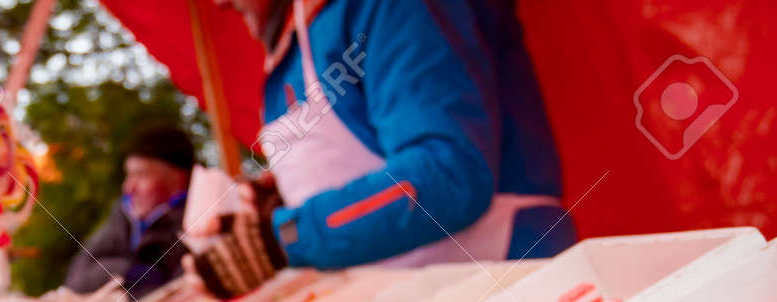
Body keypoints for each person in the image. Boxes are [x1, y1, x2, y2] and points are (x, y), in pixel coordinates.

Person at [214, 0, 576, 270]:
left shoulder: (385, 8)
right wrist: (276, 205)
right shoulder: (287, 58)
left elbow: (446, 175)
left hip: (513, 281)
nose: (219, 4)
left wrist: (285, 237)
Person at [64, 123, 195, 298]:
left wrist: (113, 276)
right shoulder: (122, 214)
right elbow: (76, 280)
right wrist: (129, 272)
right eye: (129, 174)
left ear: (176, 180)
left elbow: (181, 291)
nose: (128, 187)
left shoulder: (199, 221)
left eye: (141, 175)